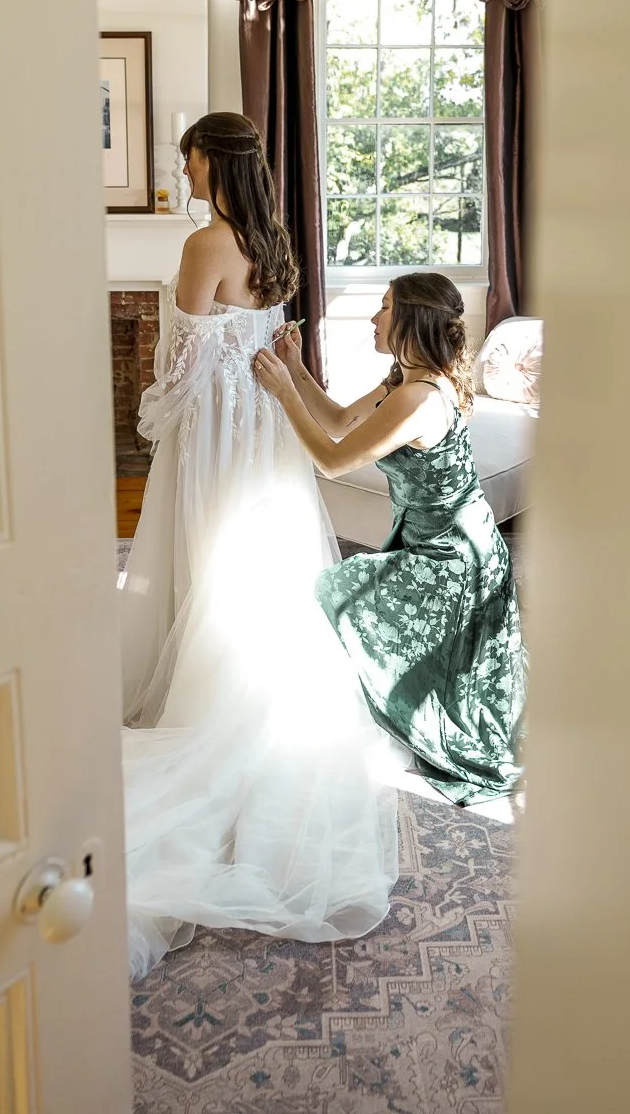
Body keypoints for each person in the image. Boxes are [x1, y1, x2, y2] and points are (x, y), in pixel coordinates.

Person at [119, 113, 397, 978]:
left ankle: (198, 696)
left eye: (189, 158)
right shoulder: (274, 243)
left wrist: (154, 407)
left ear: (212, 161)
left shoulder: (208, 243)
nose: (185, 169)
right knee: (253, 569)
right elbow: (267, 347)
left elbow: (179, 369)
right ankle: (236, 671)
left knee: (202, 557)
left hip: (213, 432)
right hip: (264, 433)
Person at [254, 271, 526, 805]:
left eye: (384, 307)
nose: (374, 318)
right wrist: (296, 368)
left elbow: (332, 461)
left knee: (335, 589)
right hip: (435, 541)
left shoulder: (420, 398)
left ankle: (377, 718)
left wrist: (285, 393)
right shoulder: (405, 380)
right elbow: (336, 421)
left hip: (453, 558)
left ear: (411, 319)